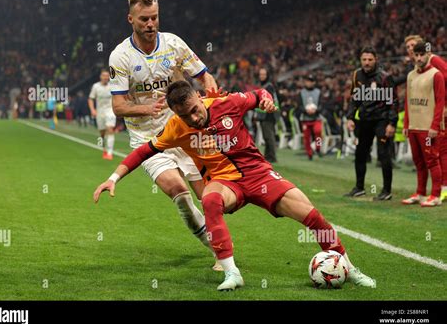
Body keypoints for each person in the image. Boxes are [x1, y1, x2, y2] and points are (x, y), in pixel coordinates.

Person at [93, 80, 376, 291]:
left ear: (199, 98)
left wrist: (266, 100)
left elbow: (260, 94)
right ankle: (232, 273)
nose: (193, 118)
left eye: (193, 110)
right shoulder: (176, 129)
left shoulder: (227, 103)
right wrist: (113, 177)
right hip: (225, 182)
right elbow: (144, 151)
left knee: (312, 217)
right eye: (184, 115)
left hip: (260, 175)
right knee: (210, 200)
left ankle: (348, 268)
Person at [108, 0, 222, 270]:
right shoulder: (120, 56)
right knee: (178, 191)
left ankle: (220, 242)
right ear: (131, 19)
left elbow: (204, 74)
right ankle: (218, 250)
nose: (150, 23)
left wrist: (209, 87)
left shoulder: (173, 44)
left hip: (183, 133)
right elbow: (119, 107)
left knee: (210, 196)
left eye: (155, 17)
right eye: (144, 19)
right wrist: (146, 109)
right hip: (148, 138)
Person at [345, 47, 398, 201]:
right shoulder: (357, 75)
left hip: (381, 120)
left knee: (383, 154)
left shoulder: (384, 77)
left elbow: (393, 101)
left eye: (370, 59)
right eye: (364, 60)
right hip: (364, 121)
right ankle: (359, 188)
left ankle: (386, 191)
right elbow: (354, 98)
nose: (367, 63)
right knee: (360, 153)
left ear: (376, 59)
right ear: (360, 60)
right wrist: (350, 117)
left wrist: (392, 123)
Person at [402, 41, 445, 207]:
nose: (419, 58)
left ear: (428, 54)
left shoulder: (436, 75)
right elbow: (408, 101)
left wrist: (435, 126)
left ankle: (435, 195)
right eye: (416, 55)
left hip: (429, 128)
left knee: (432, 161)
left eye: (422, 55)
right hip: (414, 126)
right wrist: (406, 124)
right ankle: (420, 193)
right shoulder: (410, 75)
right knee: (418, 162)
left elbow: (440, 102)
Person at [88, 69, 116, 160]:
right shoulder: (95, 86)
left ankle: (110, 153)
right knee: (102, 132)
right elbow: (90, 98)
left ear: (109, 77)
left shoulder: (112, 86)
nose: (105, 77)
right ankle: (104, 147)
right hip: (100, 112)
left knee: (110, 129)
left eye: (107, 75)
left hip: (110, 111)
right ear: (101, 76)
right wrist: (92, 110)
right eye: (104, 75)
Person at [255, 67, 279, 163]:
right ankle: (268, 156)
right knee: (266, 136)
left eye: (264, 74)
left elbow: (270, 101)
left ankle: (272, 157)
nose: (262, 76)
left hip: (269, 114)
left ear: (267, 75)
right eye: (260, 74)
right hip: (264, 115)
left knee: (269, 136)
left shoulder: (268, 86)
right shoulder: (264, 85)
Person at [298, 74, 323, 160]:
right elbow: (299, 106)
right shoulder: (301, 93)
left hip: (316, 117)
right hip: (305, 118)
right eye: (307, 81)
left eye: (311, 81)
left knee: (318, 132)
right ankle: (309, 153)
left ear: (314, 82)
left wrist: (316, 110)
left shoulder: (318, 92)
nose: (309, 83)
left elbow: (321, 105)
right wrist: (306, 110)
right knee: (306, 138)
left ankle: (318, 148)